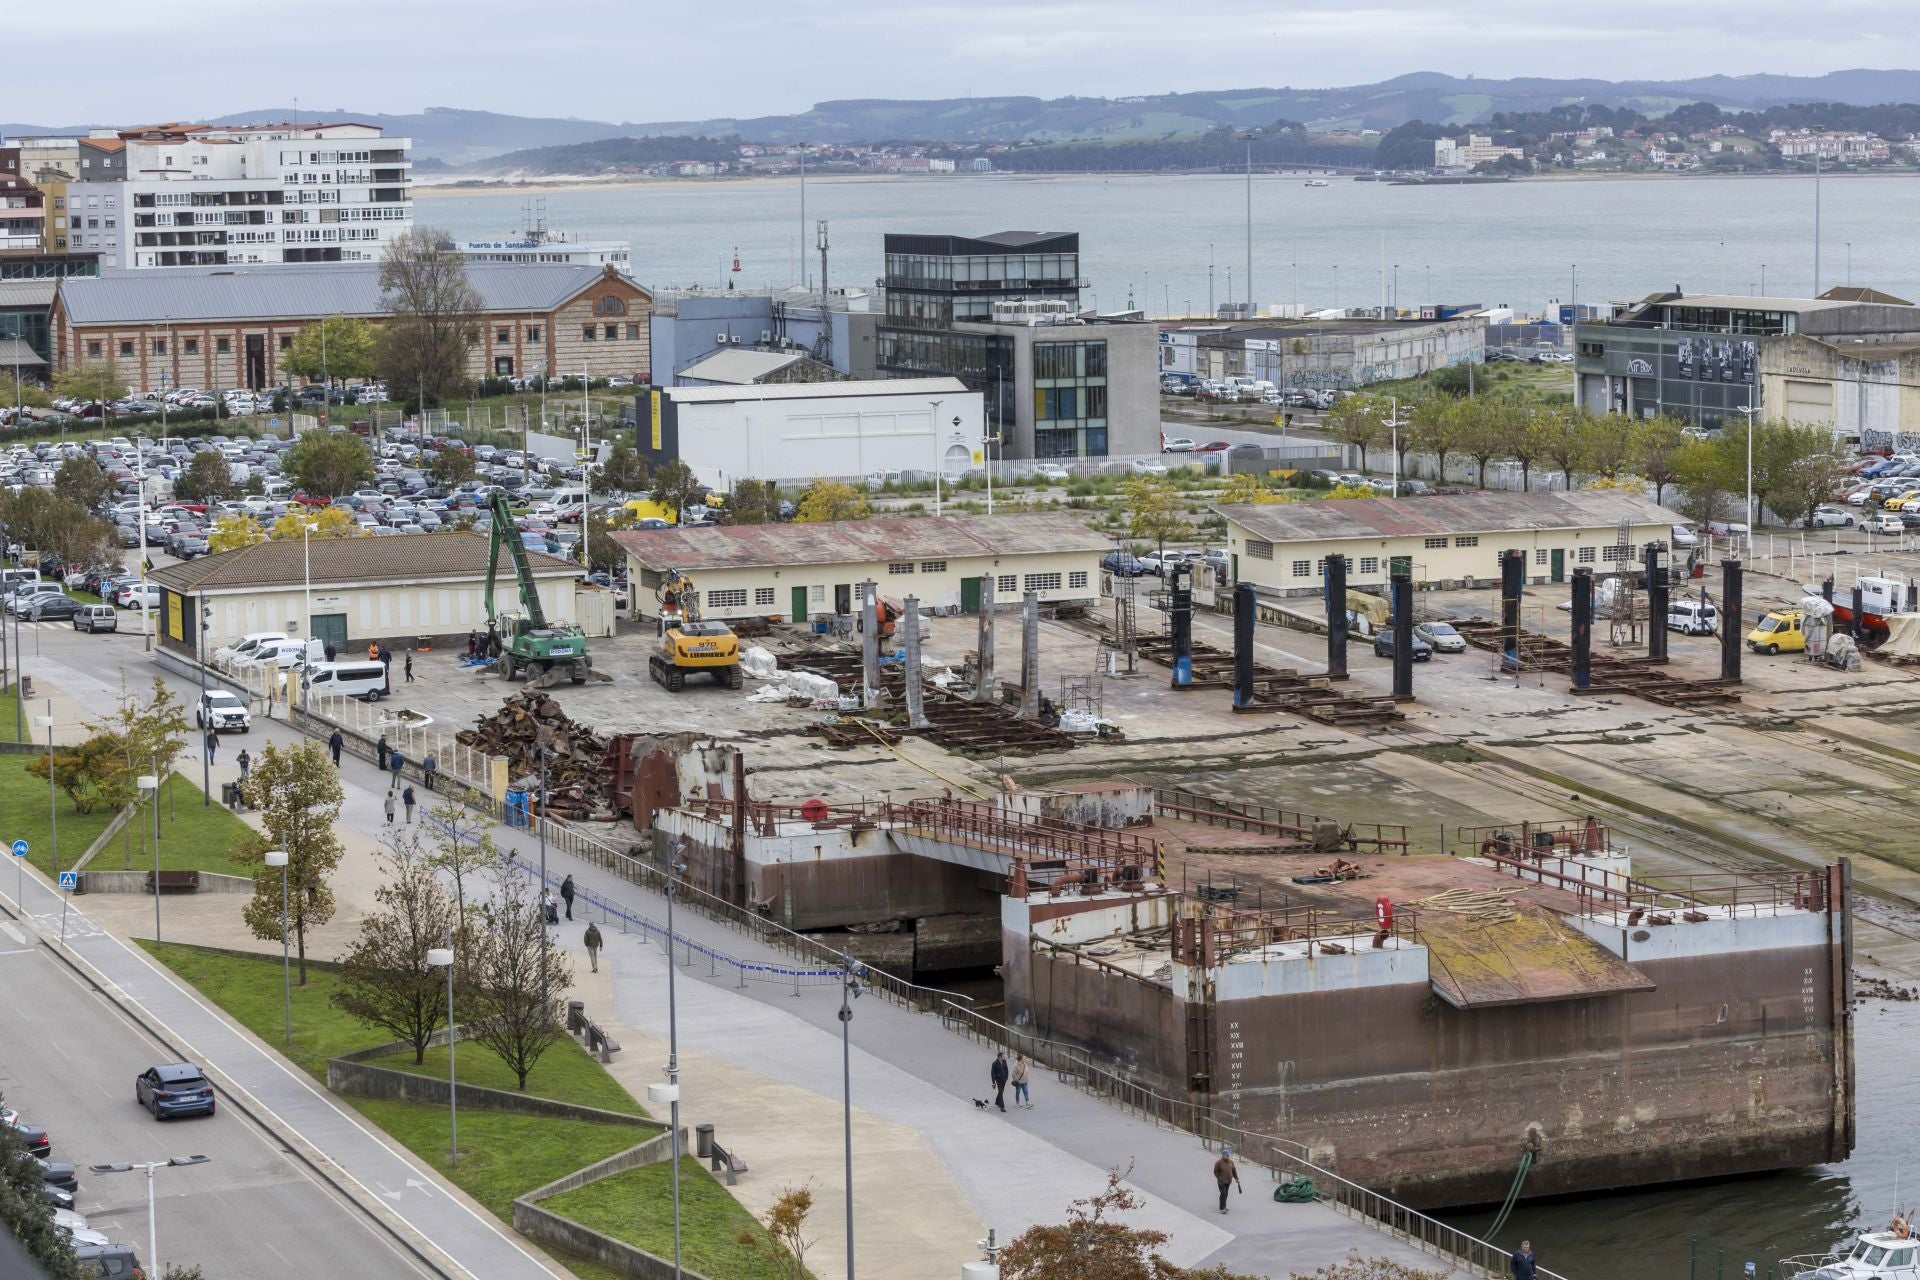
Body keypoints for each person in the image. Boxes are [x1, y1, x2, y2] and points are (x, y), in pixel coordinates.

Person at [1213, 1148, 1241, 1214]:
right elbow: (1215, 1172)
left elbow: (1234, 1171)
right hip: (1221, 1182)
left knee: (1226, 1194)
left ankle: (1224, 1206)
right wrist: (1219, 1178)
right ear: (1222, 1155)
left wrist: (1237, 1179)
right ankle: (1222, 1208)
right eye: (1226, 1155)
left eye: (1228, 1155)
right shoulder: (1218, 1163)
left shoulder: (1231, 1162)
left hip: (1228, 1181)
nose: (1227, 1156)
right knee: (1223, 1193)